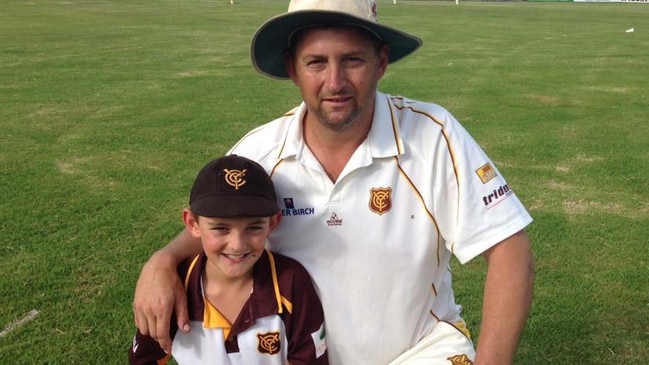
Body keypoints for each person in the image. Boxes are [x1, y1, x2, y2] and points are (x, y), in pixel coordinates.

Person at [133, 0, 535, 364]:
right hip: (301, 356)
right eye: (317, 62)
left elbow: (508, 249)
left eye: (352, 60)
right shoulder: (261, 150)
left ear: (381, 62)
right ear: (293, 69)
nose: (335, 81)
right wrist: (163, 260)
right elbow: (219, 222)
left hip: (421, 352)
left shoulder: (432, 135)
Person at [129, 155, 328, 364]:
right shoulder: (174, 289)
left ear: (273, 223)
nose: (237, 245)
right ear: (192, 223)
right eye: (220, 228)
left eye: (254, 227)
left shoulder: (290, 283)